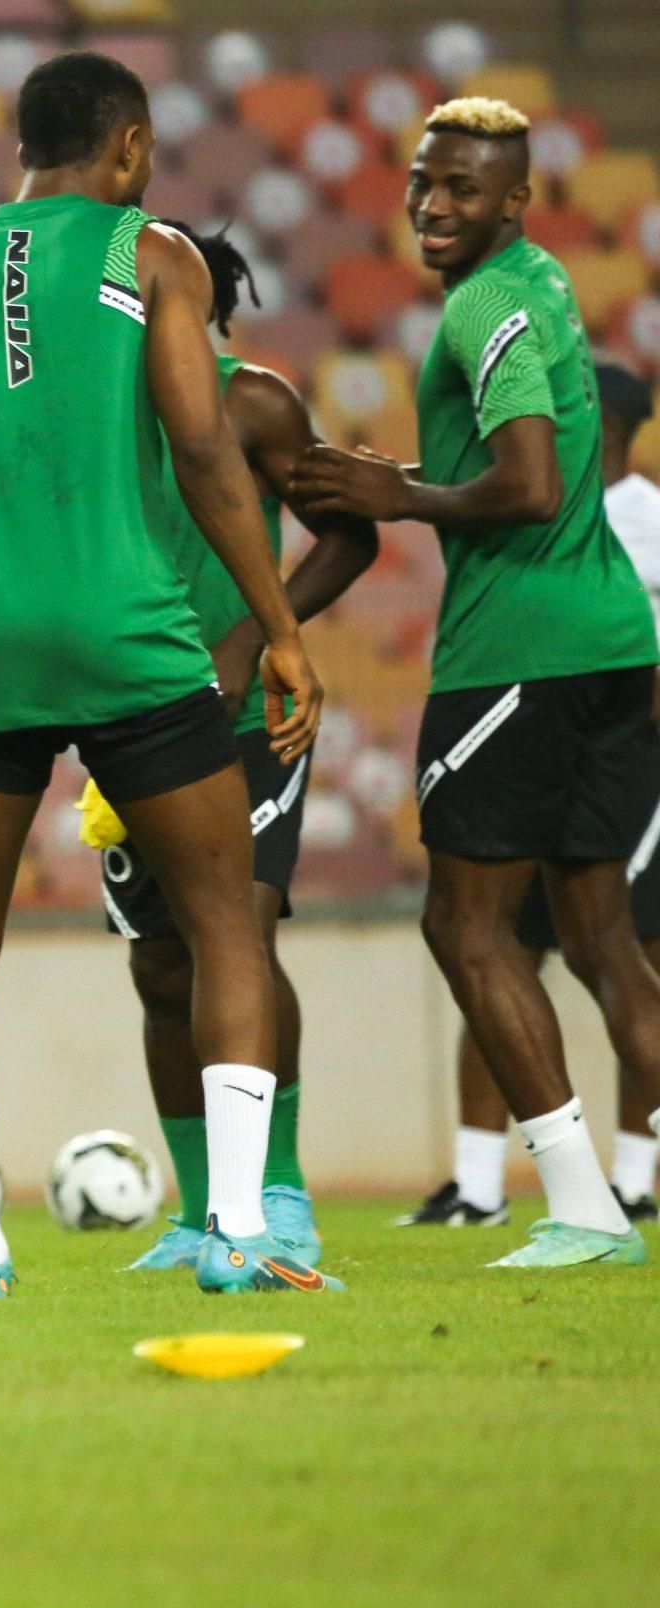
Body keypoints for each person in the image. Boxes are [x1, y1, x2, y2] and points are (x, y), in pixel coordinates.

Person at [0, 50, 335, 1298]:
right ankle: (234, 1230)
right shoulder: (152, 257)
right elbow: (202, 451)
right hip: (130, 635)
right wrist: (278, 625)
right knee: (225, 926)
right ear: (125, 149)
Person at [296, 100, 656, 1269]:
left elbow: (532, 486)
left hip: (521, 652)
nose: (433, 206)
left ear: (515, 201)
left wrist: (400, 500)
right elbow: (515, 466)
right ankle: (600, 1201)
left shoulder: (486, 303)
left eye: (461, 189)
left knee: (465, 927)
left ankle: (582, 1208)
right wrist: (398, 475)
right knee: (604, 942)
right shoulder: (543, 284)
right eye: (421, 182)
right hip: (610, 643)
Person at [91, 226, 380, 1272]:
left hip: (250, 721)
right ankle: (197, 1210)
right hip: (128, 715)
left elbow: (348, 532)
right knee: (160, 965)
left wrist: (257, 636)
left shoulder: (250, 398)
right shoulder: (93, 407)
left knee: (238, 941)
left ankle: (278, 1193)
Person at [403, 362, 660, 1227]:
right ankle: (488, 1182)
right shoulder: (589, 514)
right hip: (599, 745)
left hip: (588, 739)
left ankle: (615, 1181)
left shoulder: (624, 521)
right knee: (563, 952)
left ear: (599, 430)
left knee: (497, 940)